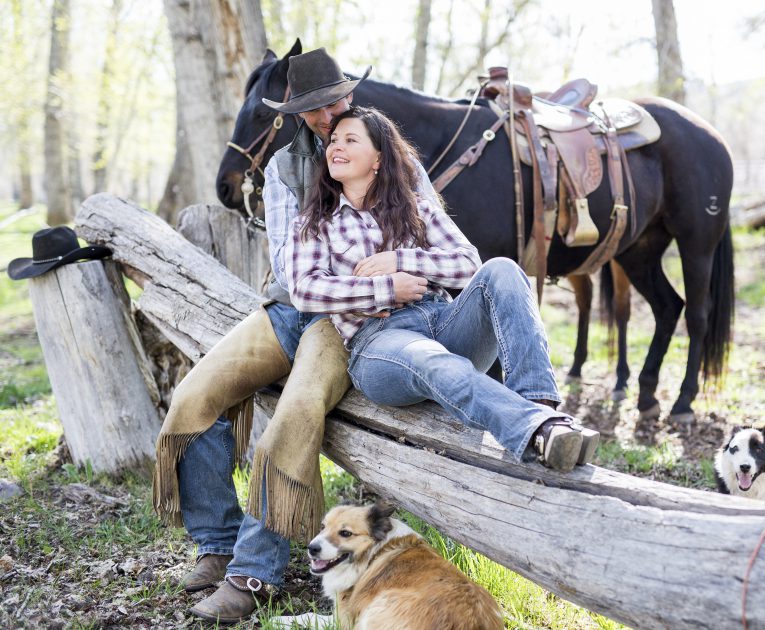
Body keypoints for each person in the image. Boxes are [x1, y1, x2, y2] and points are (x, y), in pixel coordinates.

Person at [151, 48, 439, 624]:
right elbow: (291, 274)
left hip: (348, 322)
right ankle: (218, 540)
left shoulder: (390, 156)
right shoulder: (285, 169)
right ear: (296, 114)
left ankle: (255, 571)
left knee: (297, 411)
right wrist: (368, 279)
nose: (326, 117)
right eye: (311, 109)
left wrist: (385, 279)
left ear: (348, 96)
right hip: (295, 308)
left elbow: (431, 239)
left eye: (332, 103)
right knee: (194, 398)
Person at [286, 106, 600, 472]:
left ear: (378, 158)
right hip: (379, 342)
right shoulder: (313, 223)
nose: (335, 147)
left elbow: (469, 264)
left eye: (350, 140)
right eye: (333, 141)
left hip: (445, 320)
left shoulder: (416, 209)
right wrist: (387, 289)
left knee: (504, 270)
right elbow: (306, 290)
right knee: (432, 360)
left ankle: (543, 412)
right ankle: (535, 428)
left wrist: (402, 261)